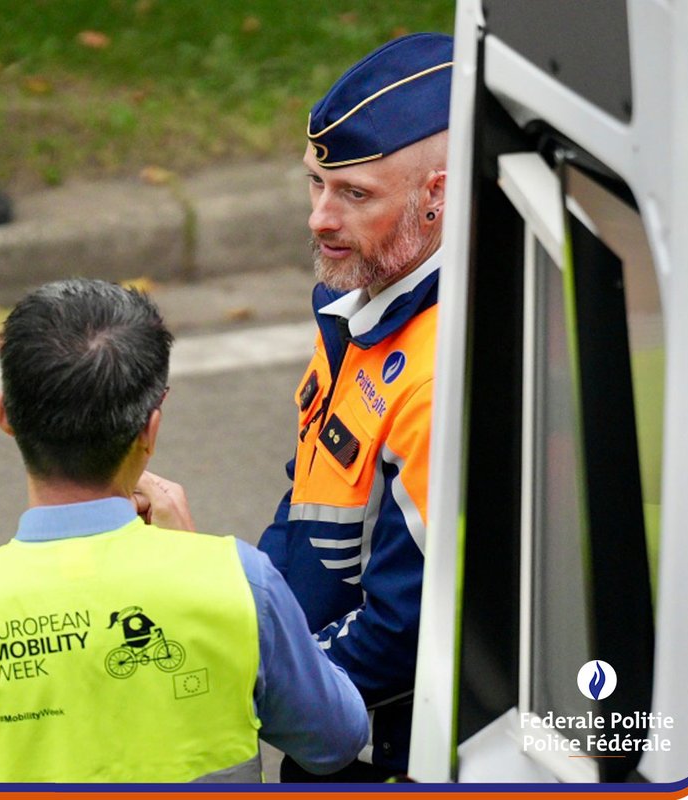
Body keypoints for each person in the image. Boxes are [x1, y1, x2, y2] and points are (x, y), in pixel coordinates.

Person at [0, 278, 368, 783]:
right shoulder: (241, 581)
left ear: (5, 415)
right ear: (150, 428)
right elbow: (335, 739)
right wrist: (197, 562)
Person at [256, 32, 453, 781]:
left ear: (435, 195)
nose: (320, 217)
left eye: (354, 194)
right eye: (315, 183)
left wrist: (263, 682)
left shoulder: (434, 378)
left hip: (382, 748)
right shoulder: (360, 302)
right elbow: (309, 494)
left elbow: (403, 629)